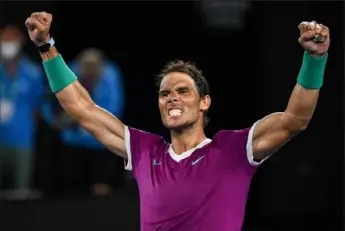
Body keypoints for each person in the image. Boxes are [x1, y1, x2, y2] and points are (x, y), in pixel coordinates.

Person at [25, 12, 330, 231]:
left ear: (204, 102)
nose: (172, 98)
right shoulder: (145, 151)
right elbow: (83, 110)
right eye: (165, 94)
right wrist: (45, 47)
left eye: (183, 91)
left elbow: (294, 120)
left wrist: (314, 60)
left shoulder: (234, 150)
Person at [41, 47, 125, 196]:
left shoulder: (110, 75)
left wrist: (82, 118)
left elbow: (115, 108)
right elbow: (48, 101)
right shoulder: (67, 72)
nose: (91, 71)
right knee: (72, 189)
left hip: (100, 141)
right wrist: (54, 121)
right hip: (72, 141)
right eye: (87, 67)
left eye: (94, 67)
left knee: (100, 187)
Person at [0, 24, 44, 199]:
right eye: (5, 40)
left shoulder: (32, 72)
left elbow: (37, 107)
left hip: (22, 142)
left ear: (20, 42)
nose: (8, 43)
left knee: (20, 196)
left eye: (12, 40)